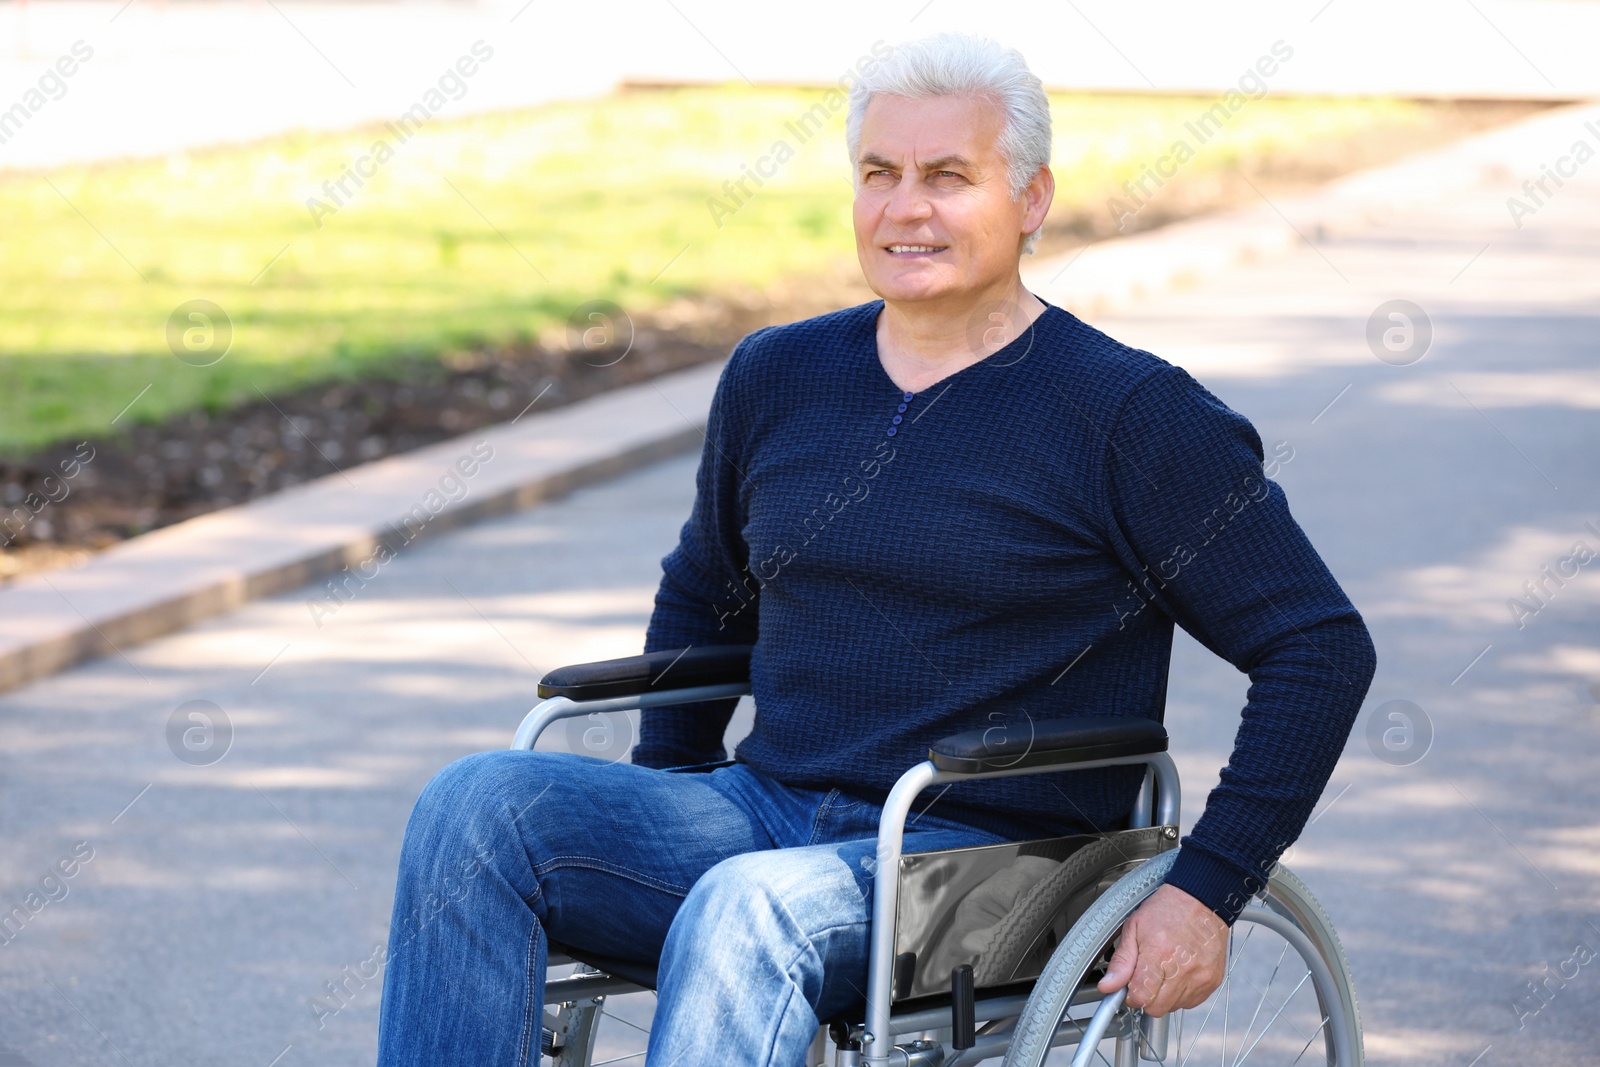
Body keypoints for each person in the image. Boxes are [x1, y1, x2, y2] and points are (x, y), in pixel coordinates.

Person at [375, 32, 1377, 1065]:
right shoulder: (780, 374)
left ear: (1029, 199)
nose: (907, 207)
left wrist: (1205, 886)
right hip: (762, 817)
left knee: (749, 908)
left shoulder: (1129, 415)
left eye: (949, 176)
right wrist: (662, 789)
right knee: (477, 807)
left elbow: (1318, 645)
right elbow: (706, 594)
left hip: (999, 859)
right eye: (879, 174)